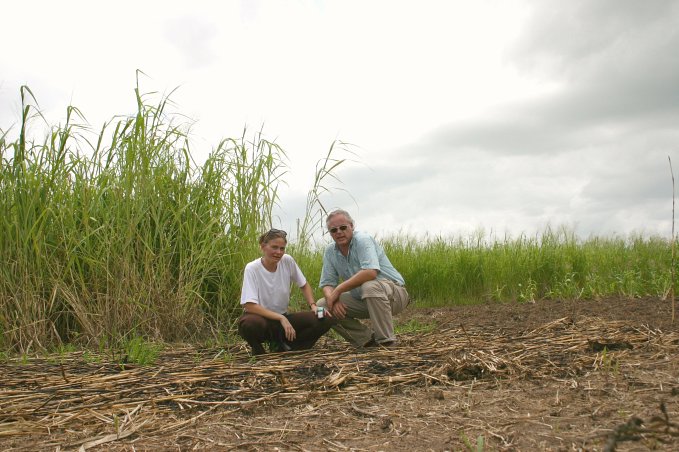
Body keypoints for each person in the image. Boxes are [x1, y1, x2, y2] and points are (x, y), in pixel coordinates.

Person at [317, 209, 410, 348]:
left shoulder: (362, 239)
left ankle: (386, 342)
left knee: (370, 286)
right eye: (333, 230)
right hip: (363, 298)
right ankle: (366, 341)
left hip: (394, 295)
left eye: (343, 227)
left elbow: (370, 273)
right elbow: (327, 284)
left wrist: (338, 291)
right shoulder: (330, 251)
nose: (339, 232)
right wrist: (333, 300)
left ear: (352, 226)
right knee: (321, 306)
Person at [238, 229, 334, 355]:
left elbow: (304, 285)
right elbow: (249, 305)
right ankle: (258, 351)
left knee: (325, 318)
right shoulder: (252, 268)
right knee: (249, 324)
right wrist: (280, 318)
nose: (278, 252)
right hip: (262, 319)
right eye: (274, 247)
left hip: (283, 317)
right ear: (263, 247)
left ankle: (291, 348)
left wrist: (313, 305)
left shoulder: (287, 261)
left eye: (282, 248)